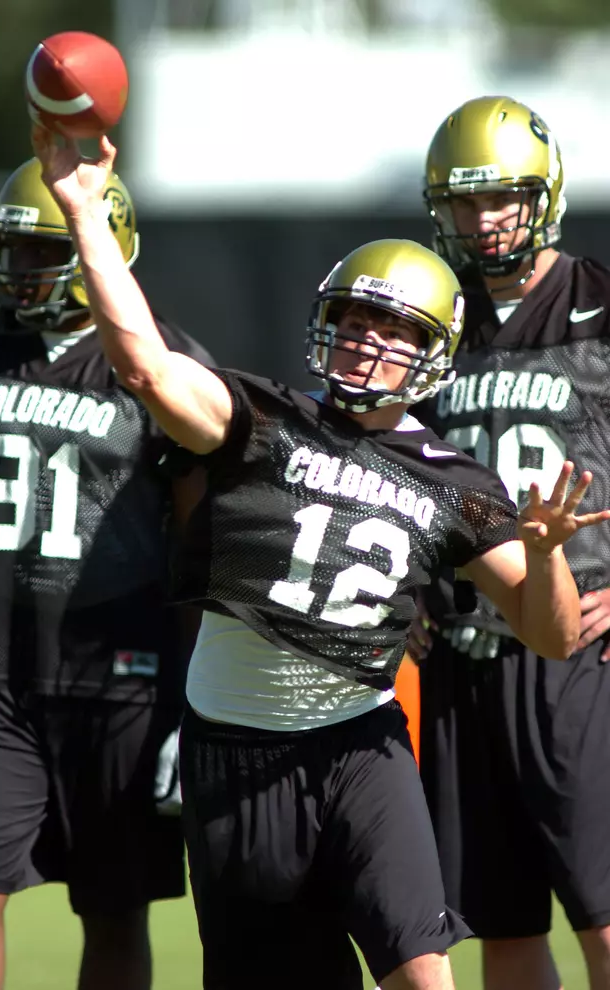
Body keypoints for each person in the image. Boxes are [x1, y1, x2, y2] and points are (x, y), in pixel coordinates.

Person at [31, 124, 610, 990]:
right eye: (352, 322)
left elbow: (553, 634)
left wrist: (547, 553)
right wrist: (83, 211)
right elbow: (147, 368)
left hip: (362, 747)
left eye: (394, 331)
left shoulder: (456, 481)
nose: (367, 343)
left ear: (434, 352)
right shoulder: (260, 420)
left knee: (424, 974)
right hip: (236, 754)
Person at [0, 157, 214, 990]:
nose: (21, 269)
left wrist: (196, 700)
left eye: (43, 251)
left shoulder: (164, 363)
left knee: (111, 909)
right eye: (13, 250)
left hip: (124, 680)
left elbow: (201, 547)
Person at [417, 94, 610, 990]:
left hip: (579, 655)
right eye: (464, 201)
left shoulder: (599, 303)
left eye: (502, 197)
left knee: (603, 918)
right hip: (463, 655)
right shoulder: (433, 320)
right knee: (503, 928)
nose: (484, 218)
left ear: (545, 196)